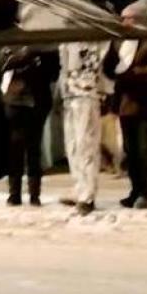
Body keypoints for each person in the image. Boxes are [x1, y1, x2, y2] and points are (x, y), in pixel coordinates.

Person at [103, 0, 147, 210]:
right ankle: (134, 191)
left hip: (145, 103)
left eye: (129, 18)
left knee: (143, 150)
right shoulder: (120, 43)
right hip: (125, 104)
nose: (125, 23)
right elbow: (110, 69)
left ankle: (145, 194)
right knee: (130, 151)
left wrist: (130, 74)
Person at [0, 45, 59, 206]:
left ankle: (33, 194)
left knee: (33, 148)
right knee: (16, 148)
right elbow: (5, 63)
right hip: (15, 101)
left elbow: (54, 73)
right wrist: (29, 55)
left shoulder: (45, 47)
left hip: (36, 101)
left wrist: (36, 56)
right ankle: (15, 194)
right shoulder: (12, 44)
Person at [59, 41, 106, 215]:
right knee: (72, 146)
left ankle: (87, 195)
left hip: (87, 95)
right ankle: (79, 187)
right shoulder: (68, 41)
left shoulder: (93, 41)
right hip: (70, 95)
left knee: (85, 145)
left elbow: (93, 65)